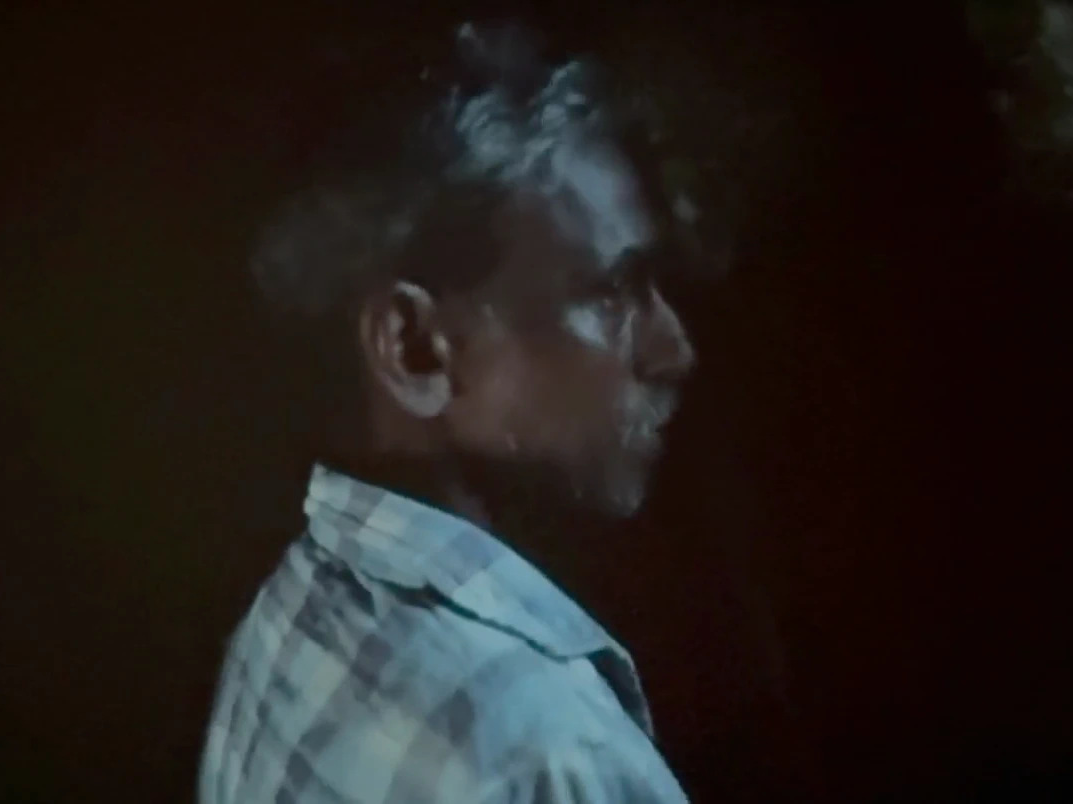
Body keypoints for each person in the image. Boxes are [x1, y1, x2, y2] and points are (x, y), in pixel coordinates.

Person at [199, 22, 703, 804]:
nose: (674, 349)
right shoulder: (550, 758)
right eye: (611, 293)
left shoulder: (285, 620)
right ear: (414, 349)